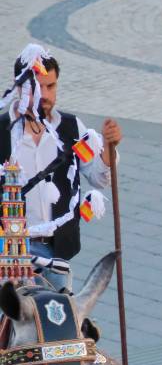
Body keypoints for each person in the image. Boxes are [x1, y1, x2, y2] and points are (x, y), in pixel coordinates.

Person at [0, 45, 120, 290]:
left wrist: (108, 147)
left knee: (61, 323)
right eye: (37, 86)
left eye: (51, 86)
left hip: (57, 255)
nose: (45, 94)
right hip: (9, 256)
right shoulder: (2, 132)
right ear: (20, 86)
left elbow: (98, 177)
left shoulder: (70, 128)